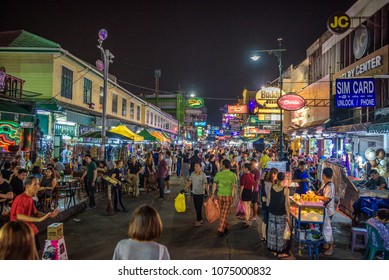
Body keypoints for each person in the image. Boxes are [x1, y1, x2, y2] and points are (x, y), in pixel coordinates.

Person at [10, 176, 60, 251]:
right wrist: (39, 219)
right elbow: (19, 216)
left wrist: (49, 215)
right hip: (20, 231)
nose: (38, 187)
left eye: (38, 184)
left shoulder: (29, 198)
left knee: (35, 251)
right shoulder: (21, 198)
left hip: (29, 229)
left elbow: (35, 212)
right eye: (35, 185)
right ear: (27, 186)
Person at [267, 172, 291, 258]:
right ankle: (280, 251)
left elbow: (269, 198)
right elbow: (287, 204)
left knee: (272, 231)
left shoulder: (272, 186)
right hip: (281, 213)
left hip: (272, 212)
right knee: (281, 233)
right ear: (284, 179)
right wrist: (288, 215)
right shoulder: (285, 189)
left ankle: (273, 250)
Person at [211, 159, 237, 237]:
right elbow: (234, 187)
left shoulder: (218, 174)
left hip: (220, 195)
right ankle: (220, 229)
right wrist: (235, 196)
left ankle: (224, 227)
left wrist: (212, 194)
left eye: (221, 164)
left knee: (223, 213)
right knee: (224, 214)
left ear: (224, 165)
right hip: (228, 196)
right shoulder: (233, 175)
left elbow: (214, 185)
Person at [316, 167, 335, 256]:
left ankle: (331, 247)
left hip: (328, 211)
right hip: (323, 210)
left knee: (328, 229)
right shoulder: (325, 184)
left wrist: (316, 197)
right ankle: (325, 245)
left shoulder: (330, 186)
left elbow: (326, 198)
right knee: (323, 228)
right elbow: (320, 192)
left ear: (324, 175)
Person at [187, 162, 207, 227]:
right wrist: (184, 189)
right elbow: (190, 182)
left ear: (200, 167)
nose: (195, 167)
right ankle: (200, 218)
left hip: (201, 193)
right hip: (194, 193)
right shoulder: (192, 174)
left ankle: (198, 221)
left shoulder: (203, 175)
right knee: (196, 207)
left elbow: (206, 183)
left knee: (198, 207)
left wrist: (208, 193)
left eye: (197, 166)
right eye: (195, 166)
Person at [261, 168, 278, 241]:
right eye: (276, 174)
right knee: (267, 220)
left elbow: (264, 195)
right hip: (270, 205)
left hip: (267, 204)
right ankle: (266, 236)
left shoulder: (266, 182)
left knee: (265, 220)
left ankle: (264, 236)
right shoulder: (271, 184)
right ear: (273, 174)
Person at [240, 163, 254, 228]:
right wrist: (252, 191)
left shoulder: (243, 176)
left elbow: (242, 186)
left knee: (245, 207)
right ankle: (247, 219)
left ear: (246, 168)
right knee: (248, 207)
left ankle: (247, 222)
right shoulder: (251, 175)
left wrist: (240, 194)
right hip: (250, 191)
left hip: (245, 191)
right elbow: (253, 185)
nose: (243, 169)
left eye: (244, 168)